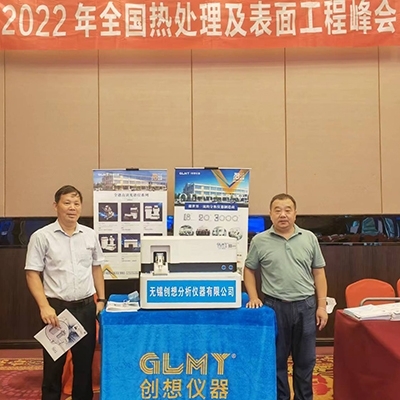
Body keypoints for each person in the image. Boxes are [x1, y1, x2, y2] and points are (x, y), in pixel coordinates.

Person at [25, 185, 106, 400]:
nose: (72, 207)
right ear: (56, 206)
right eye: (67, 203)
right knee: (54, 367)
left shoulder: (89, 235)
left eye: (76, 203)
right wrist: (44, 306)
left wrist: (101, 299)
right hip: (57, 311)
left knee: (84, 365)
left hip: (86, 308)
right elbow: (32, 273)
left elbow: (97, 267)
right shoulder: (42, 236)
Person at [244, 193, 328, 400]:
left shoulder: (309, 238)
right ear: (271, 214)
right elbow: (249, 269)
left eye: (287, 210)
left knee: (306, 361)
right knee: (277, 361)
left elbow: (319, 272)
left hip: (306, 307)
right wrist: (254, 297)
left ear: (295, 214)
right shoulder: (260, 240)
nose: (283, 214)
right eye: (278, 210)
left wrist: (321, 306)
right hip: (275, 308)